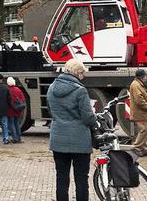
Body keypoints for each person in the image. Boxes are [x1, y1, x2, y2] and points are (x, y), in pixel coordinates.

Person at [48, 59, 97, 201]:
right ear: (78, 73)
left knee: (61, 178)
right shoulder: (80, 91)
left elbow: (51, 112)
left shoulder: (51, 88)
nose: (83, 78)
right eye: (83, 75)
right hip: (79, 141)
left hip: (58, 139)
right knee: (81, 179)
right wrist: (95, 119)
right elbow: (88, 118)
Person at [129, 68, 147, 156]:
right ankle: (136, 147)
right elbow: (138, 99)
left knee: (145, 130)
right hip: (140, 113)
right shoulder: (136, 85)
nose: (146, 77)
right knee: (143, 130)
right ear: (142, 77)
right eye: (145, 76)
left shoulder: (137, 84)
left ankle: (144, 148)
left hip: (141, 113)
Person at [6, 77, 26, 144]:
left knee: (11, 124)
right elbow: (23, 99)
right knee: (17, 124)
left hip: (10, 110)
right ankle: (19, 137)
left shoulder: (7, 90)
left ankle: (14, 138)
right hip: (18, 110)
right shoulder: (18, 89)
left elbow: (6, 101)